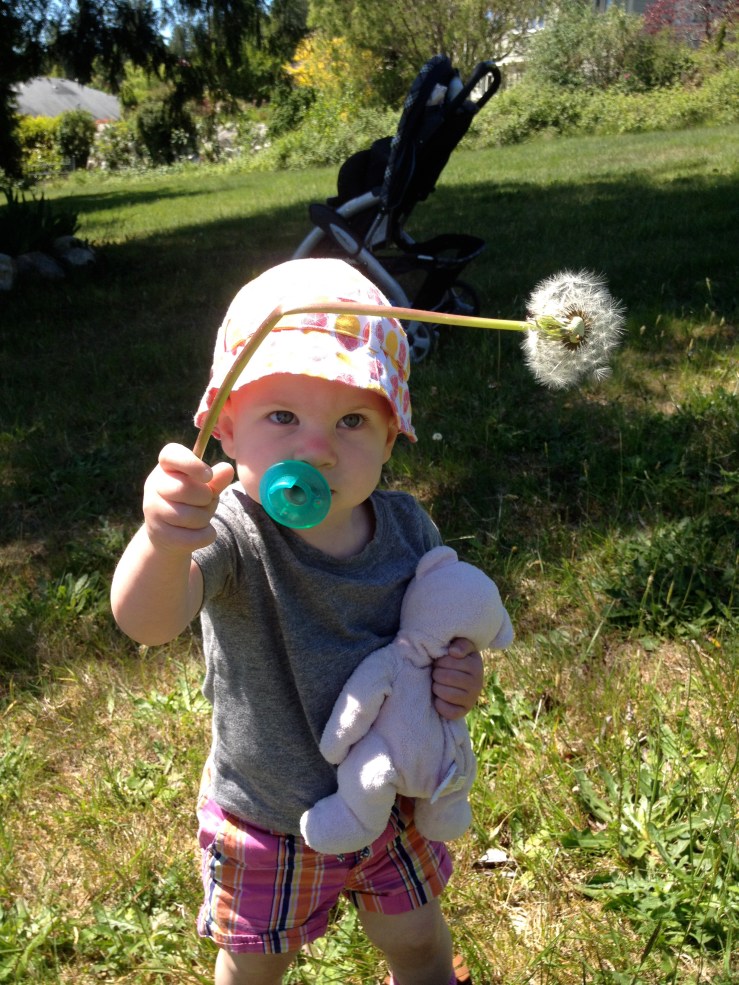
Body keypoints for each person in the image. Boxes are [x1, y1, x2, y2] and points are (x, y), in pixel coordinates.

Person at [111, 258, 485, 985]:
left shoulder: (409, 530)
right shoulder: (231, 532)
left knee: (414, 940)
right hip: (266, 821)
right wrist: (161, 540)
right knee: (255, 964)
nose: (315, 447)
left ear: (390, 436)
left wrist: (459, 673)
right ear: (224, 426)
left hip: (391, 806)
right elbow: (147, 622)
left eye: (350, 420)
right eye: (281, 416)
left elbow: (444, 632)